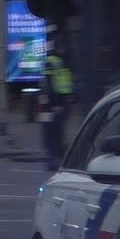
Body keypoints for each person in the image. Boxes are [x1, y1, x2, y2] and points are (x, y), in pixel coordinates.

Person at [42, 38, 75, 171]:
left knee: (57, 132)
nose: (63, 50)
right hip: (53, 104)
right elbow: (49, 84)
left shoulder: (63, 62)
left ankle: (55, 159)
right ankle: (53, 159)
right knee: (53, 132)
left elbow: (65, 83)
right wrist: (54, 104)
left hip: (61, 103)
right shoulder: (52, 62)